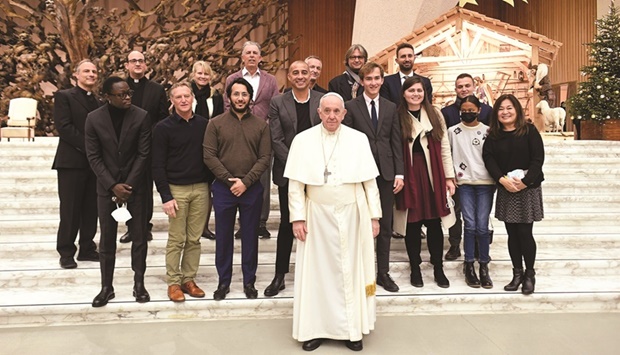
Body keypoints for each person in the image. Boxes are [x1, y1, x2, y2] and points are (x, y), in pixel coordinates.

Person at [286, 92, 381, 352]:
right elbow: (295, 186)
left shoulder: (358, 140)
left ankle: (352, 330)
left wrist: (374, 216)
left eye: (336, 111)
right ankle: (315, 329)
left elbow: (370, 183)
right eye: (326, 111)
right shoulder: (303, 140)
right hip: (316, 216)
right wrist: (297, 218)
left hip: (353, 215)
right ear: (318, 112)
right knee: (318, 274)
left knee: (352, 270)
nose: (331, 116)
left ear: (344, 113)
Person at [85, 76, 151, 307]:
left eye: (129, 93)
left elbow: (144, 154)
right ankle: (106, 287)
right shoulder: (93, 119)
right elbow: (93, 156)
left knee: (140, 238)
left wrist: (128, 185)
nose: (127, 97)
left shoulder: (141, 116)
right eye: (121, 94)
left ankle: (139, 284)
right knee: (107, 240)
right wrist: (113, 185)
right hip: (107, 188)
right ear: (107, 96)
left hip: (136, 189)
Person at [203, 78, 271, 300]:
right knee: (223, 237)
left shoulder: (261, 125)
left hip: (251, 189)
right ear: (229, 97)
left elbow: (264, 158)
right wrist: (228, 179)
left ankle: (249, 282)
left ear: (250, 98)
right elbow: (209, 155)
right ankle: (224, 282)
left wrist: (246, 182)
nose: (240, 98)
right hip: (224, 189)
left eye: (244, 94)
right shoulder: (215, 123)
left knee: (250, 236)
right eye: (236, 94)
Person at [264, 61, 324, 297]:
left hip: (319, 172)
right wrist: (299, 167)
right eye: (295, 73)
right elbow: (276, 138)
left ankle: (318, 276)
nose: (300, 76)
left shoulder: (322, 99)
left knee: (318, 225)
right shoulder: (278, 102)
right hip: (289, 172)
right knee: (289, 223)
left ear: (311, 75)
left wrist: (314, 166)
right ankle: (280, 275)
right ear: (289, 77)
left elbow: (327, 134)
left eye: (304, 72)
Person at [343, 61, 404, 293]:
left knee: (385, 225)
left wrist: (400, 172)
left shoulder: (391, 107)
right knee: (360, 225)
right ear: (362, 81)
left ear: (382, 80)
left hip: (386, 174)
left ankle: (383, 273)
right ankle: (362, 271)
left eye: (377, 78)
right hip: (360, 174)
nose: (373, 83)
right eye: (368, 79)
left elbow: (396, 141)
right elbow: (346, 142)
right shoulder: (351, 106)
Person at [394, 76, 456, 289]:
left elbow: (445, 146)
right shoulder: (398, 114)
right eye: (411, 90)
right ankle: (415, 268)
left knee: (434, 223)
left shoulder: (434, 113)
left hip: (433, 172)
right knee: (412, 224)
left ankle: (438, 268)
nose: (415, 94)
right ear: (404, 93)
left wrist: (449, 177)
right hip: (409, 173)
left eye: (419, 90)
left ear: (424, 92)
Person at [152, 82, 210, 302]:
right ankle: (173, 282)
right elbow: (157, 164)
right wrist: (166, 196)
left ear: (193, 98)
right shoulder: (163, 128)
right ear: (172, 101)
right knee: (177, 239)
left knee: (194, 239)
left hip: (201, 189)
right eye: (179, 97)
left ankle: (189, 279)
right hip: (176, 189)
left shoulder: (204, 125)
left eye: (187, 96)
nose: (184, 100)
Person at [483, 94, 545, 295]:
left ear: (517, 110)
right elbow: (488, 159)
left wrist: (525, 182)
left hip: (528, 188)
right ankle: (516, 273)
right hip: (507, 188)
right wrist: (502, 180)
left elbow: (538, 158)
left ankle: (529, 274)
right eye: (501, 109)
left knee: (525, 233)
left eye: (509, 108)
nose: (505, 112)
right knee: (511, 234)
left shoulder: (529, 130)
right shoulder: (493, 135)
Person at [224, 41, 279, 239]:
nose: (252, 56)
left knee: (262, 178)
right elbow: (227, 105)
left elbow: (275, 107)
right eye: (248, 53)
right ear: (242, 57)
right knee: (241, 174)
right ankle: (243, 222)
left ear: (261, 57)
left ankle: (261, 222)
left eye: (255, 53)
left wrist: (268, 128)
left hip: (262, 133)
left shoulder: (270, 80)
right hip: (238, 134)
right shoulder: (233, 78)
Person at [52, 59, 101, 269]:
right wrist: (90, 149)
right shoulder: (64, 97)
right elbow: (64, 127)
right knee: (70, 210)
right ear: (77, 75)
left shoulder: (99, 102)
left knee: (91, 208)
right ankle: (66, 251)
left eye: (94, 71)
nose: (91, 74)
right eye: (86, 71)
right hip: (71, 162)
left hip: (94, 165)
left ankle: (87, 248)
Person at [441, 73, 493, 261]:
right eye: (459, 86)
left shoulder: (487, 111)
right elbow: (445, 145)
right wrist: (448, 173)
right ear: (455, 89)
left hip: (481, 173)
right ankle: (455, 245)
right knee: (455, 211)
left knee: (479, 214)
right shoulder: (447, 113)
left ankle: (480, 247)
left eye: (467, 86)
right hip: (457, 173)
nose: (463, 89)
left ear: (473, 87)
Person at [119, 50, 169, 244]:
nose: (138, 64)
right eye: (133, 61)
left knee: (146, 189)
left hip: (148, 147)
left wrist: (148, 133)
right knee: (128, 187)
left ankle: (145, 227)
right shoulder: (119, 88)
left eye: (141, 61)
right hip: (124, 148)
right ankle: (131, 228)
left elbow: (163, 117)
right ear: (127, 65)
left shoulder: (156, 89)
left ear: (146, 65)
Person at [448, 95, 495, 289]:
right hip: (464, 182)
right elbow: (447, 155)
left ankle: (484, 265)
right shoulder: (453, 131)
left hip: (485, 182)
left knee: (482, 226)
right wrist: (450, 177)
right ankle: (469, 265)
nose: (468, 113)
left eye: (471, 110)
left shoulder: (488, 131)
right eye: (464, 110)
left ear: (479, 110)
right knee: (469, 225)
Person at [189, 60, 224, 240]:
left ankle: (204, 226)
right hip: (189, 144)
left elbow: (219, 120)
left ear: (210, 77)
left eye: (206, 74)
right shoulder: (186, 94)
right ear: (193, 75)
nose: (203, 77)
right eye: (199, 73)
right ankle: (190, 226)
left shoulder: (216, 96)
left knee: (209, 186)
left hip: (210, 144)